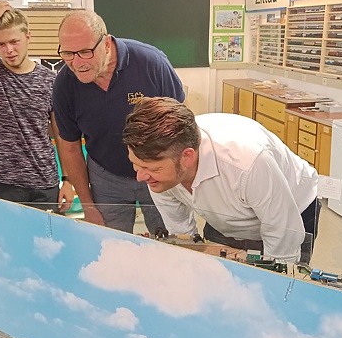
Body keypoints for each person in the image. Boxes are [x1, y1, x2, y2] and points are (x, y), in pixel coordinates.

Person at [123, 97, 320, 263]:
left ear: (187, 157)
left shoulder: (247, 164)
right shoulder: (158, 171)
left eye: (152, 168)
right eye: (135, 165)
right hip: (226, 212)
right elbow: (182, 234)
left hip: (292, 210)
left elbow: (283, 245)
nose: (140, 177)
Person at [52, 11, 185, 234]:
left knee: (170, 239)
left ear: (106, 44)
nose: (77, 63)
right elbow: (70, 147)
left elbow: (181, 126)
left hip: (158, 172)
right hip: (106, 178)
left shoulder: (151, 63)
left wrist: (179, 183)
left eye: (85, 52)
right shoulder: (64, 84)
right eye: (67, 53)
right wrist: (88, 206)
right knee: (110, 243)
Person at [0, 1, 74, 212]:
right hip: (2, 184)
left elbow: (61, 134)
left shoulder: (50, 80)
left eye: (14, 41)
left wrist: (68, 180)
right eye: (1, 44)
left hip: (45, 183)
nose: (9, 50)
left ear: (27, 37)